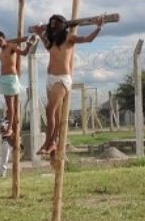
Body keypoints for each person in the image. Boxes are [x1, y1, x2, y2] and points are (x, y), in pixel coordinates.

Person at [31, 14, 104, 157]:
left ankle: (49, 142)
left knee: (49, 110)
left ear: (63, 26)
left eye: (56, 25)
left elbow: (87, 39)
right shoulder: (52, 41)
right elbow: (47, 45)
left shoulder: (69, 38)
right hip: (50, 78)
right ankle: (52, 143)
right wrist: (40, 33)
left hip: (62, 79)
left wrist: (99, 27)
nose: (53, 27)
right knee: (55, 115)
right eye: (51, 25)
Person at [0, 31, 34, 140]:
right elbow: (4, 61)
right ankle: (9, 126)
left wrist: (29, 46)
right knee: (8, 106)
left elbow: (24, 53)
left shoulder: (11, 46)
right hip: (3, 79)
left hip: (11, 78)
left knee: (11, 106)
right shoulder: (1, 51)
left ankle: (10, 128)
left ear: (4, 39)